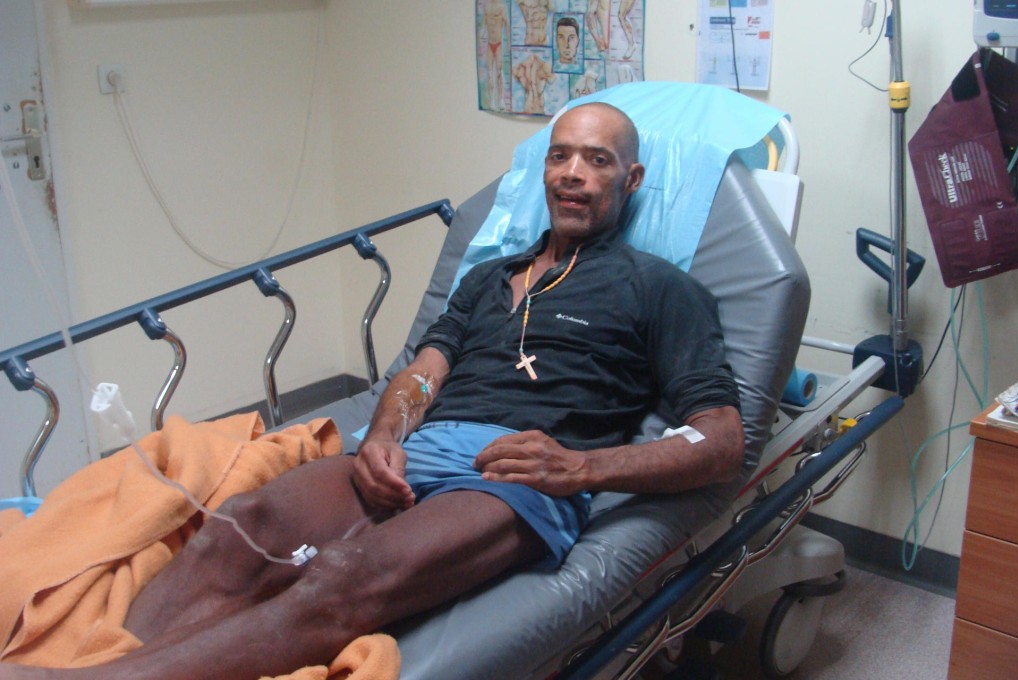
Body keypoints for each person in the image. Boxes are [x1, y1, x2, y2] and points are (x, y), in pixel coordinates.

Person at [0, 102, 744, 680]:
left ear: (632, 180)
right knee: (240, 525)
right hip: (418, 450)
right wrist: (386, 436)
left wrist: (583, 469)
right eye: (560, 156)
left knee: (344, 575)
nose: (573, 173)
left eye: (597, 159)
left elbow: (720, 439)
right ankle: (101, 660)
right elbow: (421, 373)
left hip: (515, 478)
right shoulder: (488, 279)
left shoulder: (659, 289)